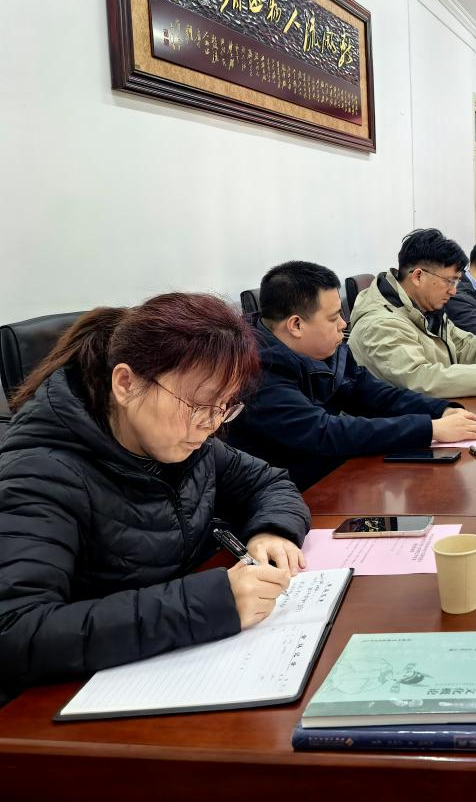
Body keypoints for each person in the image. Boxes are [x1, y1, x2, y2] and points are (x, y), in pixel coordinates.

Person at [0, 293, 311, 702]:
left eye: (225, 407)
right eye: (199, 404)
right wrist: (209, 603)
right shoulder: (40, 473)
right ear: (126, 384)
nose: (210, 424)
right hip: (72, 702)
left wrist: (272, 530)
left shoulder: (188, 443)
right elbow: (16, 630)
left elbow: (268, 483)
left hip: (177, 662)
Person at [228, 261, 476, 490]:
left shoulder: (325, 350)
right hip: (296, 495)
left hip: (337, 478)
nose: (344, 324)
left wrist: (441, 410)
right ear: (296, 325)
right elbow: (323, 432)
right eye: (333, 318)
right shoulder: (256, 371)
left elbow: (374, 394)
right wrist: (430, 429)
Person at [348, 229, 476, 398]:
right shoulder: (380, 324)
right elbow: (422, 379)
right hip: (397, 427)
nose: (454, 291)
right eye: (450, 281)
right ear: (418, 276)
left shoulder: (425, 309)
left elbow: (466, 345)